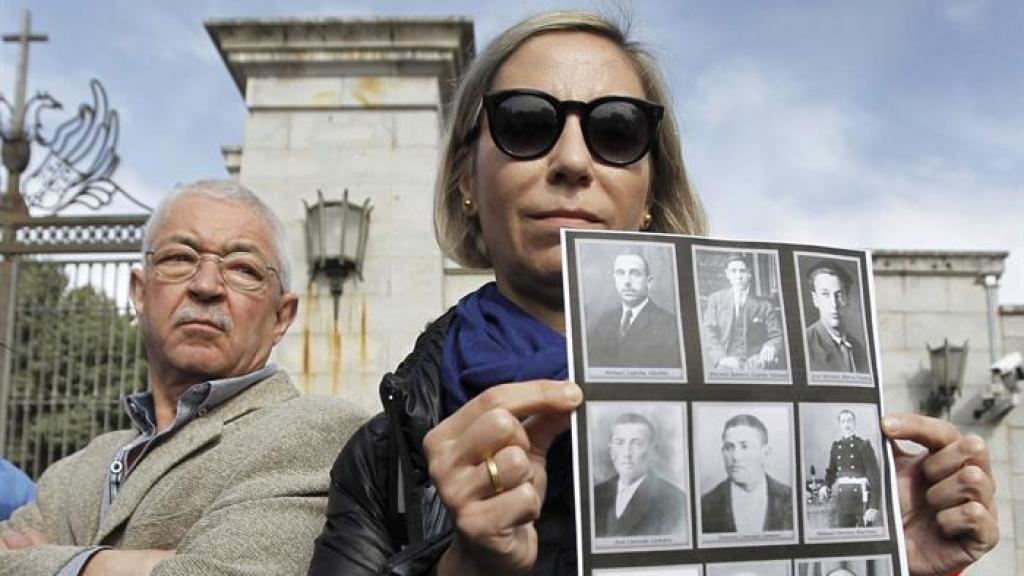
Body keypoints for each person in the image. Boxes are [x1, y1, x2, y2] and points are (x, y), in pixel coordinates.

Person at [308, 11, 999, 576]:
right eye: (525, 122)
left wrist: (885, 560)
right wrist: (468, 568)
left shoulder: (780, 403)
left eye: (615, 130)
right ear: (466, 179)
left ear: (650, 194)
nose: (573, 161)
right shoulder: (382, 458)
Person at [0, 180, 365, 576]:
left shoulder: (319, 433)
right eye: (179, 258)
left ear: (281, 317)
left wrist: (53, 562)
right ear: (140, 292)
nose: (206, 286)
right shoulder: (73, 473)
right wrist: (142, 564)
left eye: (243, 269)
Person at [592, 413, 686, 538]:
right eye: (619, 442)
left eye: (637, 443)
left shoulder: (674, 500)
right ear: (611, 450)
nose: (626, 453)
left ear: (652, 450)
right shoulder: (595, 494)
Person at [587, 251, 682, 368]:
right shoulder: (604, 321)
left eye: (635, 273)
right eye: (620, 273)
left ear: (649, 282)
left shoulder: (669, 324)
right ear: (614, 279)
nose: (627, 281)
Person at [701, 414, 793, 533]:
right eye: (729, 447)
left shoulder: (791, 499)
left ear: (765, 452)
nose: (735, 457)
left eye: (744, 446)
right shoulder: (706, 505)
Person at [701, 253, 784, 371]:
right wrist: (721, 358)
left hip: (757, 362)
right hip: (725, 362)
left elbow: (777, 336)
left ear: (749, 274)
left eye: (742, 271)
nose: (738, 276)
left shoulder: (765, 306)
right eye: (733, 271)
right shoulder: (716, 300)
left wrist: (771, 347)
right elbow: (708, 333)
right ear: (727, 274)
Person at [818, 410, 881, 528]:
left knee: (865, 537)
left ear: (854, 423)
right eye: (843, 421)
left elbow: (874, 477)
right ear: (840, 425)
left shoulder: (863, 445)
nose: (846, 424)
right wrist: (825, 485)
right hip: (843, 499)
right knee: (844, 534)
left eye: (849, 420)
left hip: (861, 498)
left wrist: (873, 506)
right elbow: (831, 471)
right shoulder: (836, 447)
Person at [805, 264, 868, 373]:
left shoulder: (859, 349)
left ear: (847, 298)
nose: (834, 304)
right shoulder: (805, 344)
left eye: (839, 295)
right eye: (825, 294)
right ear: (815, 299)